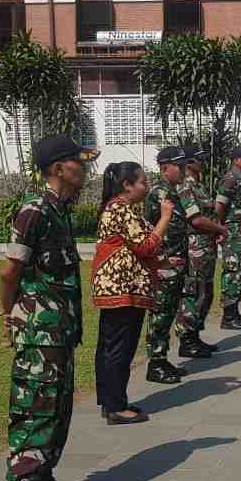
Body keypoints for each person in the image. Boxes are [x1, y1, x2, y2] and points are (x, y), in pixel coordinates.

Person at [0, 135, 97, 481]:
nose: (84, 167)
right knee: (35, 410)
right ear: (58, 168)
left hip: (58, 331)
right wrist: (8, 315)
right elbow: (9, 271)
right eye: (77, 161)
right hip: (39, 333)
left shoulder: (59, 209)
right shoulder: (33, 210)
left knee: (57, 410)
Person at [93, 161, 170, 425]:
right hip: (123, 288)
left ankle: (111, 401)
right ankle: (115, 407)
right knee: (119, 349)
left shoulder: (118, 208)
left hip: (118, 286)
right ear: (127, 185)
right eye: (142, 182)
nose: (146, 186)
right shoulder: (121, 209)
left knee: (110, 346)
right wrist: (166, 217)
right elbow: (146, 245)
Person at [144, 148, 196, 382]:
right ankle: (155, 364)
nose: (184, 169)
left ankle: (162, 359)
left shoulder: (173, 192)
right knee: (160, 313)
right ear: (165, 167)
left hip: (175, 262)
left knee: (168, 312)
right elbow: (152, 227)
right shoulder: (159, 192)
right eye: (179, 165)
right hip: (164, 263)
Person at [174, 147, 225, 356]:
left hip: (206, 248)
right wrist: (220, 229)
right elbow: (195, 219)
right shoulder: (185, 187)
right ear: (189, 164)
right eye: (199, 159)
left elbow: (209, 215)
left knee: (205, 293)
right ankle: (186, 340)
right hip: (195, 249)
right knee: (193, 293)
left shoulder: (200, 187)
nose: (203, 162)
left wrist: (216, 230)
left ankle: (195, 336)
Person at [215, 146, 241, 330]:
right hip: (232, 232)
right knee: (233, 271)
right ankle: (228, 316)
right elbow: (220, 204)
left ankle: (235, 312)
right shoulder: (230, 178)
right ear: (235, 160)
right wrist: (218, 228)